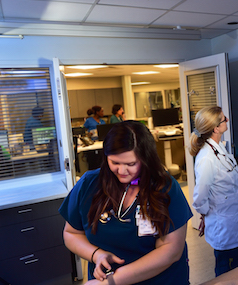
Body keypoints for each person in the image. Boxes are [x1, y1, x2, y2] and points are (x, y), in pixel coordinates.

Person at [59, 121, 192, 285]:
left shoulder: (164, 188)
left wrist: (112, 282)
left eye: (131, 164)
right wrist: (96, 254)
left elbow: (171, 250)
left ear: (146, 159)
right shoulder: (89, 184)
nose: (122, 171)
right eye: (115, 162)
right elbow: (72, 233)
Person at [188, 106, 238, 277]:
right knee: (228, 275)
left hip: (237, 224)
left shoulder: (219, 150)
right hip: (226, 228)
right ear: (216, 128)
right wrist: (205, 216)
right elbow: (199, 197)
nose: (227, 121)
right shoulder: (206, 158)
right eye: (224, 119)